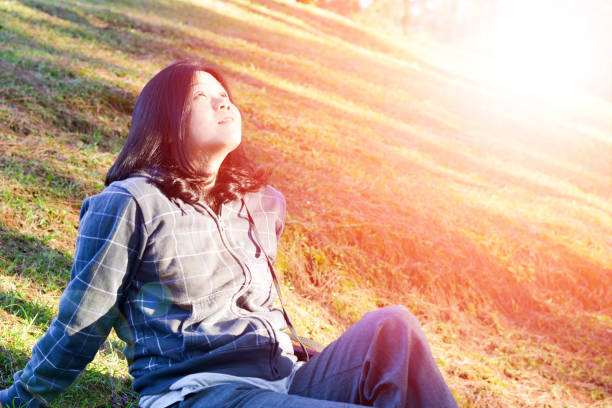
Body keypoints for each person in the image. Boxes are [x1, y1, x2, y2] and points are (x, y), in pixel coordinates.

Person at [0, 59, 458, 408]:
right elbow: (81, 322)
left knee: (391, 328)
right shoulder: (130, 203)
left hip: (283, 380)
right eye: (202, 97)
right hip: (200, 393)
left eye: (225, 94)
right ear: (167, 120)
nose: (224, 102)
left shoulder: (260, 204)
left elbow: (257, 310)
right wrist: (20, 396)